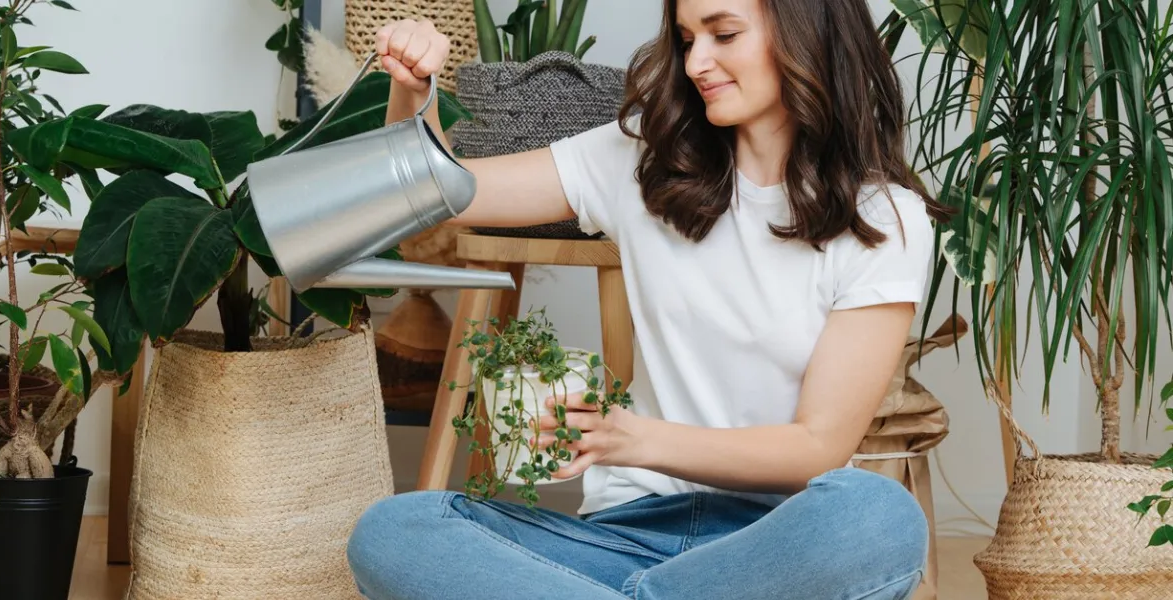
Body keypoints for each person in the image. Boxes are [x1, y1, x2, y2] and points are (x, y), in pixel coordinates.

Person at [347, 0, 951, 598]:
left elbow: (817, 447)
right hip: (620, 542)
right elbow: (443, 194)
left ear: (807, 32)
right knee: (396, 530)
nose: (696, 62)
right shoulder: (642, 159)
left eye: (724, 34)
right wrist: (413, 87)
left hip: (775, 550)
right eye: (688, 39)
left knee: (878, 515)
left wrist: (632, 439)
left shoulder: (885, 219)